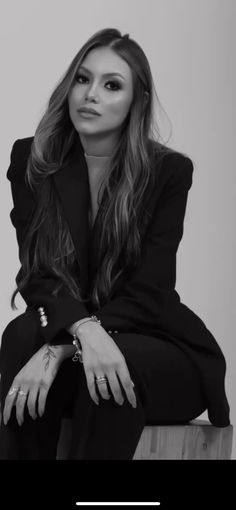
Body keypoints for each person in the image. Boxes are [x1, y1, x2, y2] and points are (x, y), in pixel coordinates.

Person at [0, 27, 230, 460]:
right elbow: (38, 274)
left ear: (136, 102)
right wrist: (83, 332)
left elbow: (150, 291)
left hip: (155, 345)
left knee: (110, 365)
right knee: (20, 334)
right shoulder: (33, 160)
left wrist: (67, 344)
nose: (91, 94)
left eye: (112, 85)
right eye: (83, 79)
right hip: (79, 341)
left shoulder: (168, 172)